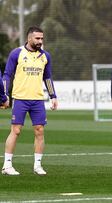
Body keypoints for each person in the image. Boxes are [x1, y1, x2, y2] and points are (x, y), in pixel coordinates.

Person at [1, 26, 58, 176]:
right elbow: (7, 75)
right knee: (16, 130)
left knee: (40, 131)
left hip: (37, 99)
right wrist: (5, 94)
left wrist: (53, 96)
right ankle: (7, 165)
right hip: (20, 98)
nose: (40, 41)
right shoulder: (17, 53)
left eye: (42, 38)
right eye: (37, 38)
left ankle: (37, 165)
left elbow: (47, 77)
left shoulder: (45, 56)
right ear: (29, 38)